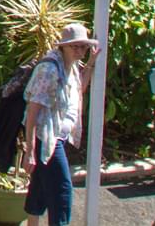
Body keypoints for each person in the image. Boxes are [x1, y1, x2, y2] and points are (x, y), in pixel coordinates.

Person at [20, 22, 100, 226]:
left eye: (83, 46)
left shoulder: (70, 67)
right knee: (62, 191)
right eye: (75, 46)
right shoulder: (49, 69)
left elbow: (78, 90)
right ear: (63, 46)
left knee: (39, 187)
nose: (80, 50)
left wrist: (90, 63)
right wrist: (30, 150)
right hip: (46, 139)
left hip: (57, 137)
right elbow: (32, 111)